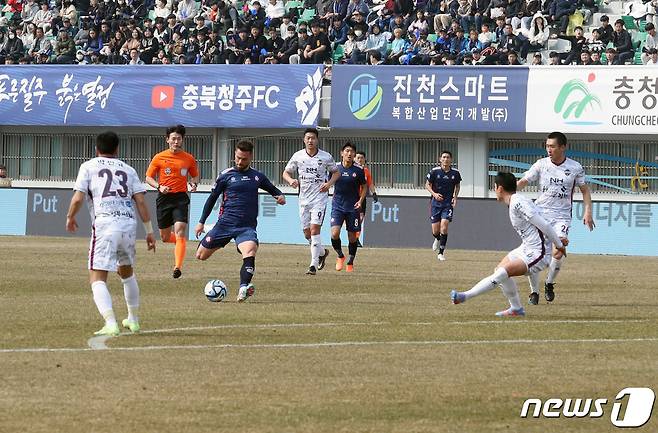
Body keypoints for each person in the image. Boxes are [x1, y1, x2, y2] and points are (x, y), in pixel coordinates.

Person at [65, 131, 156, 336]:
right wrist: (149, 232)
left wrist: (70, 217)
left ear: (97, 149)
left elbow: (79, 198)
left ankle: (110, 322)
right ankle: (133, 320)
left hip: (106, 224)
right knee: (127, 272)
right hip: (128, 224)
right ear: (117, 149)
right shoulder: (129, 169)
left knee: (97, 277)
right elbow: (140, 201)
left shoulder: (88, 166)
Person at [450, 172, 567, 317]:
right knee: (499, 269)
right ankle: (516, 308)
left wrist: (559, 244)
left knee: (502, 273)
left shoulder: (518, 202)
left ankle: (465, 296)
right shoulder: (515, 201)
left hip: (539, 253)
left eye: (494, 187)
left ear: (499, 188)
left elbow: (544, 224)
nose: (494, 191)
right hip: (526, 247)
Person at [195, 140, 285, 302]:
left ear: (250, 157)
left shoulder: (257, 176)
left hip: (246, 227)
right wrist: (201, 222)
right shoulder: (225, 175)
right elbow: (212, 199)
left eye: (243, 159)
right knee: (200, 255)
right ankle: (219, 238)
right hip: (224, 224)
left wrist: (279, 196)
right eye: (237, 158)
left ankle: (244, 287)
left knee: (250, 251)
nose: (239, 162)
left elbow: (273, 189)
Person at [517, 131, 595, 305]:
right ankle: (534, 292)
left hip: (561, 216)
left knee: (559, 250)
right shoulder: (541, 164)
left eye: (552, 146)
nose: (549, 149)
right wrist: (510, 190)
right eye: (547, 146)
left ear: (562, 147)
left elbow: (584, 190)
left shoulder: (575, 167)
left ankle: (549, 283)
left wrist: (587, 211)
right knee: (534, 253)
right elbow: (524, 181)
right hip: (539, 214)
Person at [282, 127, 340, 275]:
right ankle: (322, 253)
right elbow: (286, 172)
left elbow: (336, 173)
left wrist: (328, 184)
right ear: (304, 140)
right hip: (303, 199)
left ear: (317, 139)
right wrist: (291, 181)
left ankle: (313, 265)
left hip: (319, 199)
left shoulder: (325, 157)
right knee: (307, 234)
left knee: (315, 230)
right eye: (308, 138)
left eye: (313, 138)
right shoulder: (298, 156)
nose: (310, 141)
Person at [145, 125, 200, 279]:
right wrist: (159, 186)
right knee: (164, 237)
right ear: (167, 139)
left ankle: (177, 267)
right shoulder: (159, 157)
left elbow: (195, 176)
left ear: (182, 140)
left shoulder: (188, 158)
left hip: (180, 198)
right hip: (164, 198)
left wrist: (194, 184)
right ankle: (181, 243)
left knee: (180, 230)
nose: (176, 141)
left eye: (179, 139)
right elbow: (148, 177)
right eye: (173, 138)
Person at [330, 142, 366, 272]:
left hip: (353, 208)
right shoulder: (335, 168)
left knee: (352, 237)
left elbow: (364, 186)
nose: (349, 154)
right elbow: (328, 182)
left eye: (352, 151)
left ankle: (350, 261)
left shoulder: (358, 170)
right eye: (347, 151)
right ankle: (340, 256)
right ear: (342, 153)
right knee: (335, 233)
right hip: (337, 206)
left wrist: (360, 201)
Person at [425, 150, 461, 261]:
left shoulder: (455, 173)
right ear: (440, 159)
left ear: (451, 160)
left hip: (447, 204)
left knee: (444, 226)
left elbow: (457, 186)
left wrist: (455, 197)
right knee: (435, 231)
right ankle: (437, 238)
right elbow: (427, 185)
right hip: (435, 204)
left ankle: (441, 253)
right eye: (444, 157)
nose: (446, 159)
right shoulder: (434, 171)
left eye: (448, 157)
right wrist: (434, 194)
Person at [354, 150, 378, 245]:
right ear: (354, 159)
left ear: (365, 160)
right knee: (352, 218)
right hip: (352, 197)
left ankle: (356, 239)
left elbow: (370, 183)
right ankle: (352, 238)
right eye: (358, 158)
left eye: (362, 158)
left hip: (362, 197)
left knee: (361, 218)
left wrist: (374, 193)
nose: (360, 160)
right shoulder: (352, 169)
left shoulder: (366, 171)